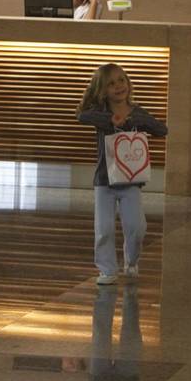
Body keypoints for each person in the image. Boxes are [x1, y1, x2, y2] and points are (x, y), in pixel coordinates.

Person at [77, 63, 168, 285]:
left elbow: (162, 129)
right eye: (111, 84)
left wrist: (136, 122)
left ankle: (132, 259)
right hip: (104, 181)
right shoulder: (100, 114)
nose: (118, 86)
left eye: (121, 80)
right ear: (102, 90)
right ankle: (107, 269)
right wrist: (109, 121)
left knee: (136, 227)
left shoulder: (138, 113)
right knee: (104, 229)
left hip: (131, 181)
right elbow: (81, 116)